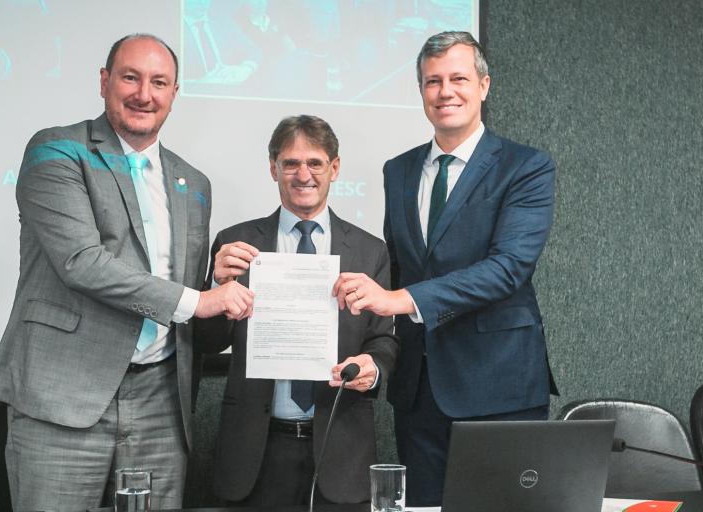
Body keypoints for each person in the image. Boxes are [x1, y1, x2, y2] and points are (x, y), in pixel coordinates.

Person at [0, 34, 254, 512]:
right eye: (130, 77)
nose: (144, 94)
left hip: (160, 404)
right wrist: (199, 300)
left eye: (159, 82)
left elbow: (184, 297)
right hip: (62, 398)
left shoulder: (195, 184)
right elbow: (81, 263)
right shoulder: (56, 151)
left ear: (174, 93)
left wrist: (220, 289)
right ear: (105, 81)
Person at [332, 31, 558, 506]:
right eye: (432, 81)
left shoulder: (526, 167)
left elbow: (508, 269)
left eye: (458, 78)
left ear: (484, 85)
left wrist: (403, 299)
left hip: (500, 389)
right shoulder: (399, 170)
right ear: (420, 92)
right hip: (419, 391)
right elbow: (393, 262)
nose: (445, 91)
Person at [196, 115, 398, 506]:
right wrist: (216, 292)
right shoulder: (236, 243)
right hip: (255, 450)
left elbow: (383, 340)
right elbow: (206, 342)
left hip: (341, 451)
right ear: (273, 168)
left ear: (334, 168)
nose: (302, 174)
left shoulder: (370, 251)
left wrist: (374, 369)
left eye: (315, 163)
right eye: (290, 163)